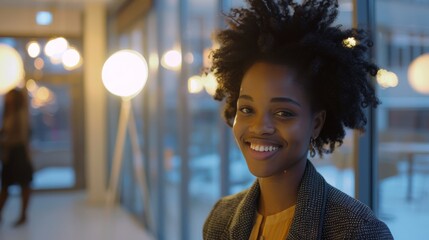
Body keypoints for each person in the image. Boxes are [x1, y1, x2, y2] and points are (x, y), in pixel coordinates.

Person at [203, 0, 393, 239]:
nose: (260, 127)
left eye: (283, 113)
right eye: (247, 109)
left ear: (316, 124)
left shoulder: (358, 230)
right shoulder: (220, 218)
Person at [0, 88, 33, 227]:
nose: (8, 99)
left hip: (18, 154)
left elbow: (21, 137)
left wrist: (4, 142)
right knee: (6, 186)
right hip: (11, 154)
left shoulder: (20, 114)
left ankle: (23, 215)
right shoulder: (9, 114)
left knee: (23, 185)